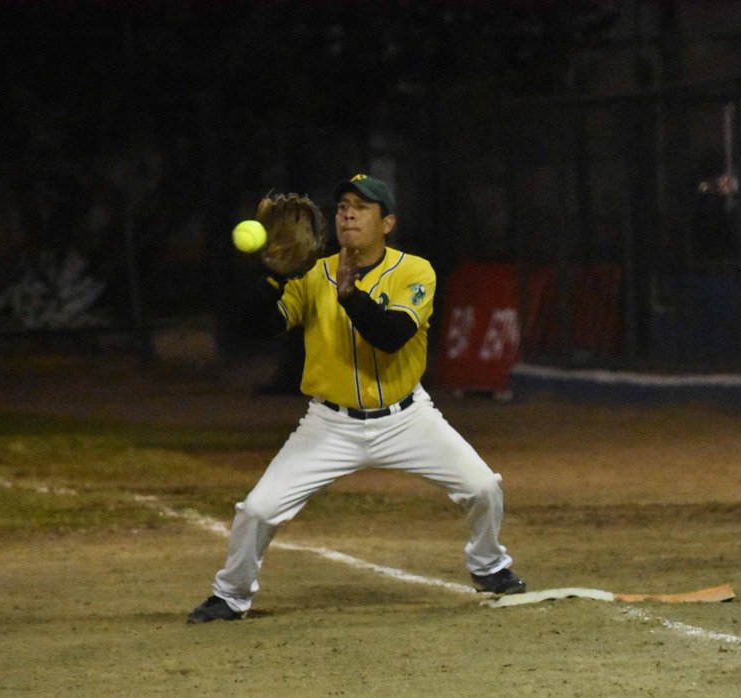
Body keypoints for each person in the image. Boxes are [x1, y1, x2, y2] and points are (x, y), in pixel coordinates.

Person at [188, 174, 526, 623]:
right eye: (343, 205)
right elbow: (256, 328)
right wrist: (271, 276)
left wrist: (349, 296)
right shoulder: (313, 274)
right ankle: (230, 596)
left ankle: (489, 566)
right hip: (329, 425)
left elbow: (392, 335)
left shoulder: (415, 271)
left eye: (362, 207)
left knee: (482, 487)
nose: (348, 213)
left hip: (408, 419)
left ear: (387, 223)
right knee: (258, 510)